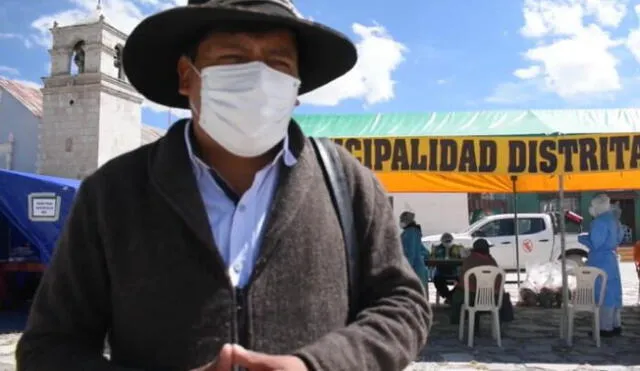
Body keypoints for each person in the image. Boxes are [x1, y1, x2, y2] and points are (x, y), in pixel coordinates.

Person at [15, 1, 431, 370]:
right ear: (186, 76)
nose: (258, 77)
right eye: (233, 59)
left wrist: (316, 366)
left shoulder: (346, 181)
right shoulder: (112, 193)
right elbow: (48, 348)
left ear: (297, 87)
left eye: (279, 63)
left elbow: (401, 305)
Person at [579, 194, 624, 337]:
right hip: (611, 259)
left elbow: (596, 243)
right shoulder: (614, 219)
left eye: (592, 206)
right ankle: (616, 325)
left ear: (598, 206)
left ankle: (604, 328)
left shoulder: (599, 222)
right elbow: (620, 237)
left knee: (602, 293)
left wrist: (582, 238)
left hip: (601, 260)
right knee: (614, 292)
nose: (591, 209)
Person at [449, 238, 512, 325]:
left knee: (457, 294)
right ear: (487, 249)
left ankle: (459, 320)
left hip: (471, 299)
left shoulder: (468, 260)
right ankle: (498, 326)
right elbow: (498, 282)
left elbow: (463, 281)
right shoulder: (492, 261)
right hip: (492, 299)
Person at [431, 232, 463, 302]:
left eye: (449, 241)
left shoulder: (457, 248)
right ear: (442, 241)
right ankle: (449, 296)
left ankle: (450, 296)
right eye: (446, 241)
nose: (448, 242)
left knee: (463, 281)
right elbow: (432, 260)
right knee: (437, 280)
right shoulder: (437, 249)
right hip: (441, 273)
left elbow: (464, 258)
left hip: (455, 272)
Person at [400, 211, 428, 287]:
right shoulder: (414, 233)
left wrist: (407, 268)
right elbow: (424, 251)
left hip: (413, 269)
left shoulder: (410, 233)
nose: (400, 222)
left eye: (402, 220)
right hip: (419, 269)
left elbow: (411, 253)